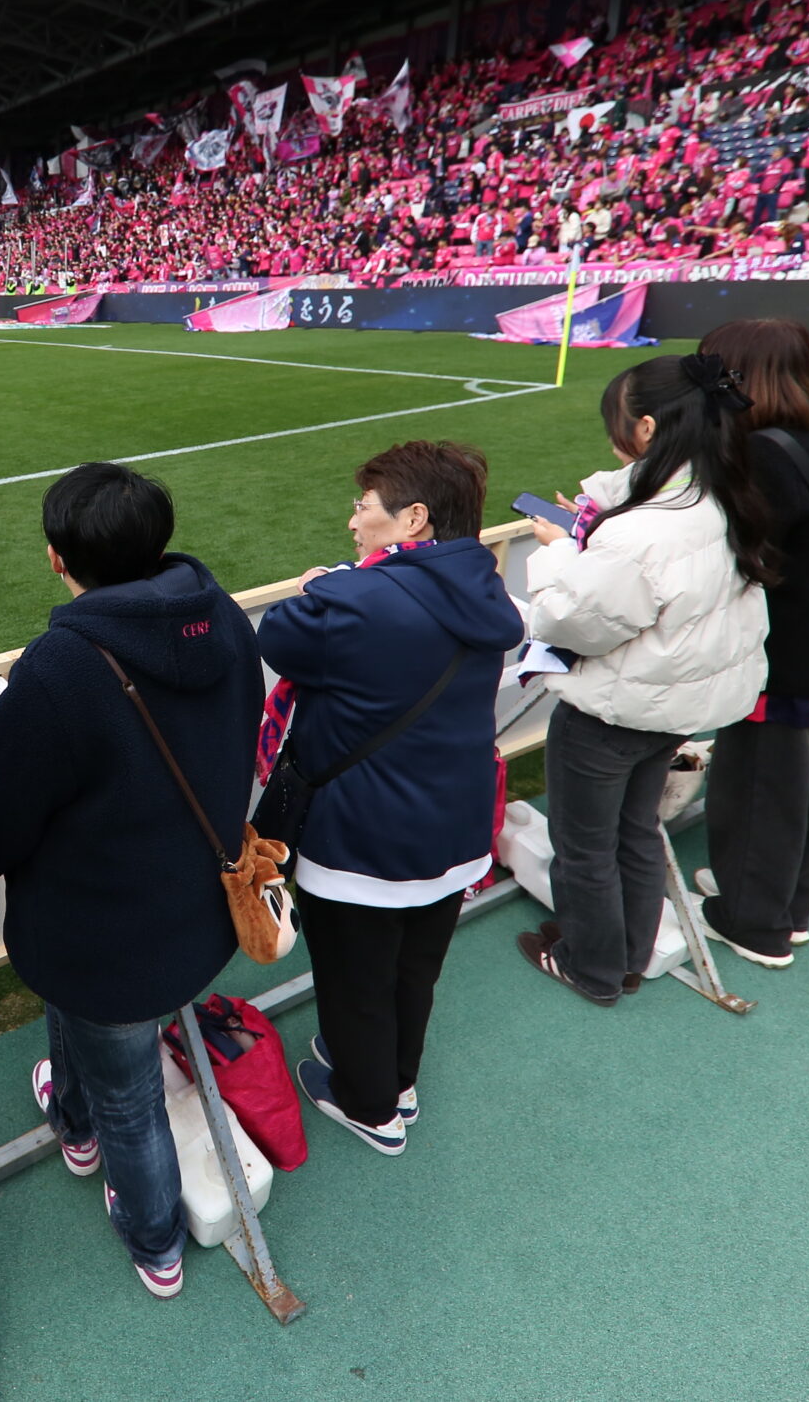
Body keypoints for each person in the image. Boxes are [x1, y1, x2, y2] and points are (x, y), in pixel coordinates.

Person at [0, 463, 261, 1296]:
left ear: (54, 557)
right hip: (195, 912)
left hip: (103, 939)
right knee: (103, 1053)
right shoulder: (222, 618)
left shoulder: (64, 668)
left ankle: (155, 1242)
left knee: (130, 1096)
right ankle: (71, 1118)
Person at [254, 441, 520, 1147]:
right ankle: (397, 1080)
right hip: (454, 826)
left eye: (363, 507)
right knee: (414, 971)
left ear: (414, 519)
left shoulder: (360, 596)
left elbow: (280, 635)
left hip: (363, 836)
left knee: (353, 981)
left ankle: (369, 1106)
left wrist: (321, 585)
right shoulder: (486, 584)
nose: (352, 521)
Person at [515, 355, 775, 1005]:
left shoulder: (644, 533)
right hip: (673, 707)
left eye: (620, 420)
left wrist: (559, 553)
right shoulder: (722, 493)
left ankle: (593, 966)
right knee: (633, 828)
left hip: (614, 713)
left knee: (584, 845)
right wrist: (602, 517)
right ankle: (626, 952)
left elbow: (571, 621)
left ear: (650, 426)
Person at [689, 321, 809, 966]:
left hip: (789, 652)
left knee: (761, 791)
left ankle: (754, 920)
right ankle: (787, 907)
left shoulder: (762, 453)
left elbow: (745, 560)